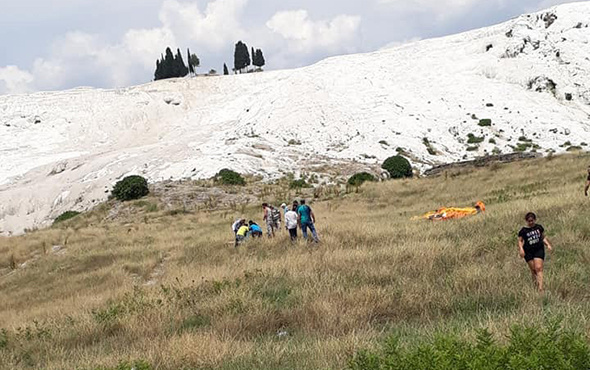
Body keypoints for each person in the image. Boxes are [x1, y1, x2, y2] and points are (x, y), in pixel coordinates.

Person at [518, 212, 553, 293]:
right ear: (526, 221)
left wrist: (548, 245)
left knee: (538, 268)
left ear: (535, 220)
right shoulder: (523, 230)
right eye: (529, 221)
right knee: (533, 270)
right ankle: (535, 286)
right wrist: (521, 249)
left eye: (532, 220)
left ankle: (541, 289)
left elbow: (542, 237)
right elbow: (520, 241)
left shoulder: (539, 227)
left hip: (538, 249)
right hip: (528, 251)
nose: (531, 222)